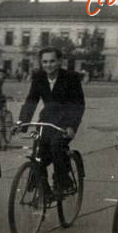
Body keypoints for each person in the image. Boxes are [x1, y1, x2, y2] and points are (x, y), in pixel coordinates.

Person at [18, 47, 85, 195]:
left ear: (60, 61)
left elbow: (78, 105)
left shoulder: (71, 77)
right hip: (47, 119)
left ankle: (62, 181)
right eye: (45, 62)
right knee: (39, 151)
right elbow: (31, 100)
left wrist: (71, 126)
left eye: (52, 61)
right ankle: (42, 186)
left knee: (56, 146)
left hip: (65, 121)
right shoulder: (39, 77)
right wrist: (21, 123)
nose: (48, 65)